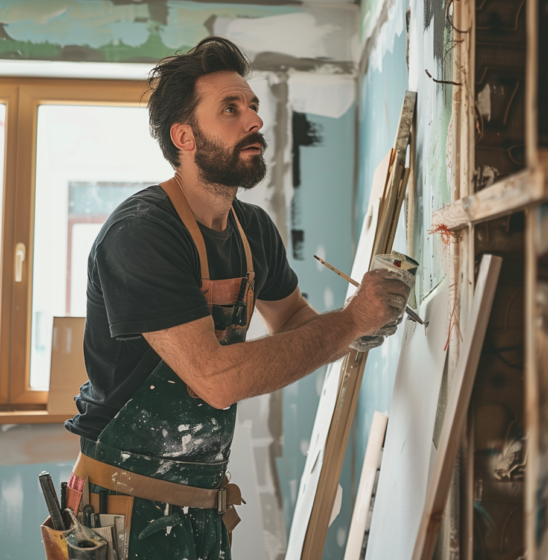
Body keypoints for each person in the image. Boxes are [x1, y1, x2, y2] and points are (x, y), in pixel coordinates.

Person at [64, 37, 410, 560]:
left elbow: (293, 317)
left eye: (252, 106)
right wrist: (350, 322)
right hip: (122, 511)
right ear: (185, 136)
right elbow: (216, 380)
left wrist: (356, 330)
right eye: (231, 109)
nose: (255, 121)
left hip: (204, 508)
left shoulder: (253, 231)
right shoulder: (141, 234)